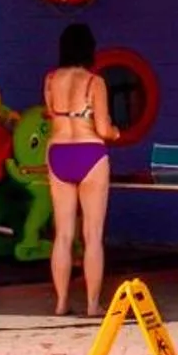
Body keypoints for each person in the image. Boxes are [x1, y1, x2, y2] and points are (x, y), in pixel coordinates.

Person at [43, 22, 120, 319]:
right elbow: (102, 128)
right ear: (90, 49)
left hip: (59, 153)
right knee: (93, 234)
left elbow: (51, 114)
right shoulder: (95, 82)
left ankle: (61, 303)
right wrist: (115, 132)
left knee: (63, 234)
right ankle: (91, 305)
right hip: (90, 153)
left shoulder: (50, 80)